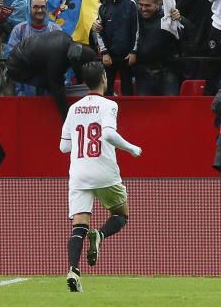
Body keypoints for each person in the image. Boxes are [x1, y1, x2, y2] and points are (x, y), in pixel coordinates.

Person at [58, 61, 142, 292]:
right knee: (121, 214)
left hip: (79, 172)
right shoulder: (109, 105)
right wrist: (132, 148)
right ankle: (101, 234)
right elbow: (108, 134)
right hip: (103, 170)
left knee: (78, 225)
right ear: (104, 78)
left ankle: (73, 270)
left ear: (84, 82)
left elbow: (64, 147)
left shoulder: (74, 108)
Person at [6, 30, 99, 118]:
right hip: (17, 66)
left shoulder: (66, 40)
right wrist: (67, 118)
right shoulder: (57, 61)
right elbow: (58, 89)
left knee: (52, 83)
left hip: (25, 57)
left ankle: (43, 102)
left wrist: (80, 79)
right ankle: (41, 111)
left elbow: (76, 66)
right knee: (51, 86)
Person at [133, 0, 186, 96]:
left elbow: (188, 34)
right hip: (143, 74)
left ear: (158, 4)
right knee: (144, 111)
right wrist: (99, 25)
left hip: (167, 74)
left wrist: (180, 20)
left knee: (170, 109)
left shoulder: (169, 18)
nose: (143, 9)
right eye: (141, 4)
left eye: (147, 5)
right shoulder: (134, 17)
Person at [95, 0, 139, 96]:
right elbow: (99, 31)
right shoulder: (102, 7)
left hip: (127, 55)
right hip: (109, 56)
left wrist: (133, 52)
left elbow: (136, 29)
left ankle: (129, 113)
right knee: (107, 89)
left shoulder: (131, 4)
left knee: (127, 89)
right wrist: (104, 53)